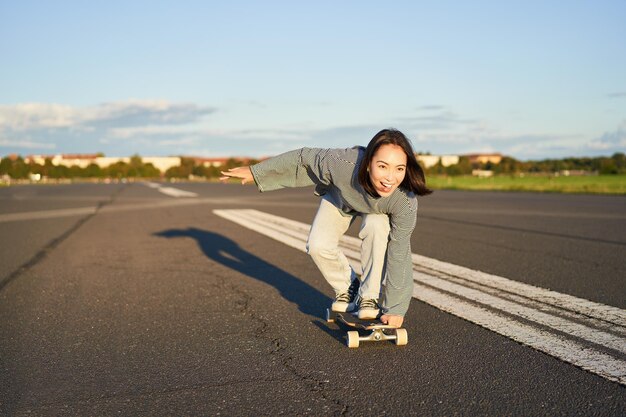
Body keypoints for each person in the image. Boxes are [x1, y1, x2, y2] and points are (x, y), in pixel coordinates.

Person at [220, 128, 432, 327]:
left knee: (376, 226)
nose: (390, 177)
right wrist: (256, 172)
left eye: (399, 169)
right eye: (382, 166)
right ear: (368, 163)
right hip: (342, 197)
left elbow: (399, 252)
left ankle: (368, 298)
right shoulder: (342, 163)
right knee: (318, 245)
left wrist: (396, 308)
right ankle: (349, 289)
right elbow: (303, 158)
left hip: (377, 211)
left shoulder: (404, 201)